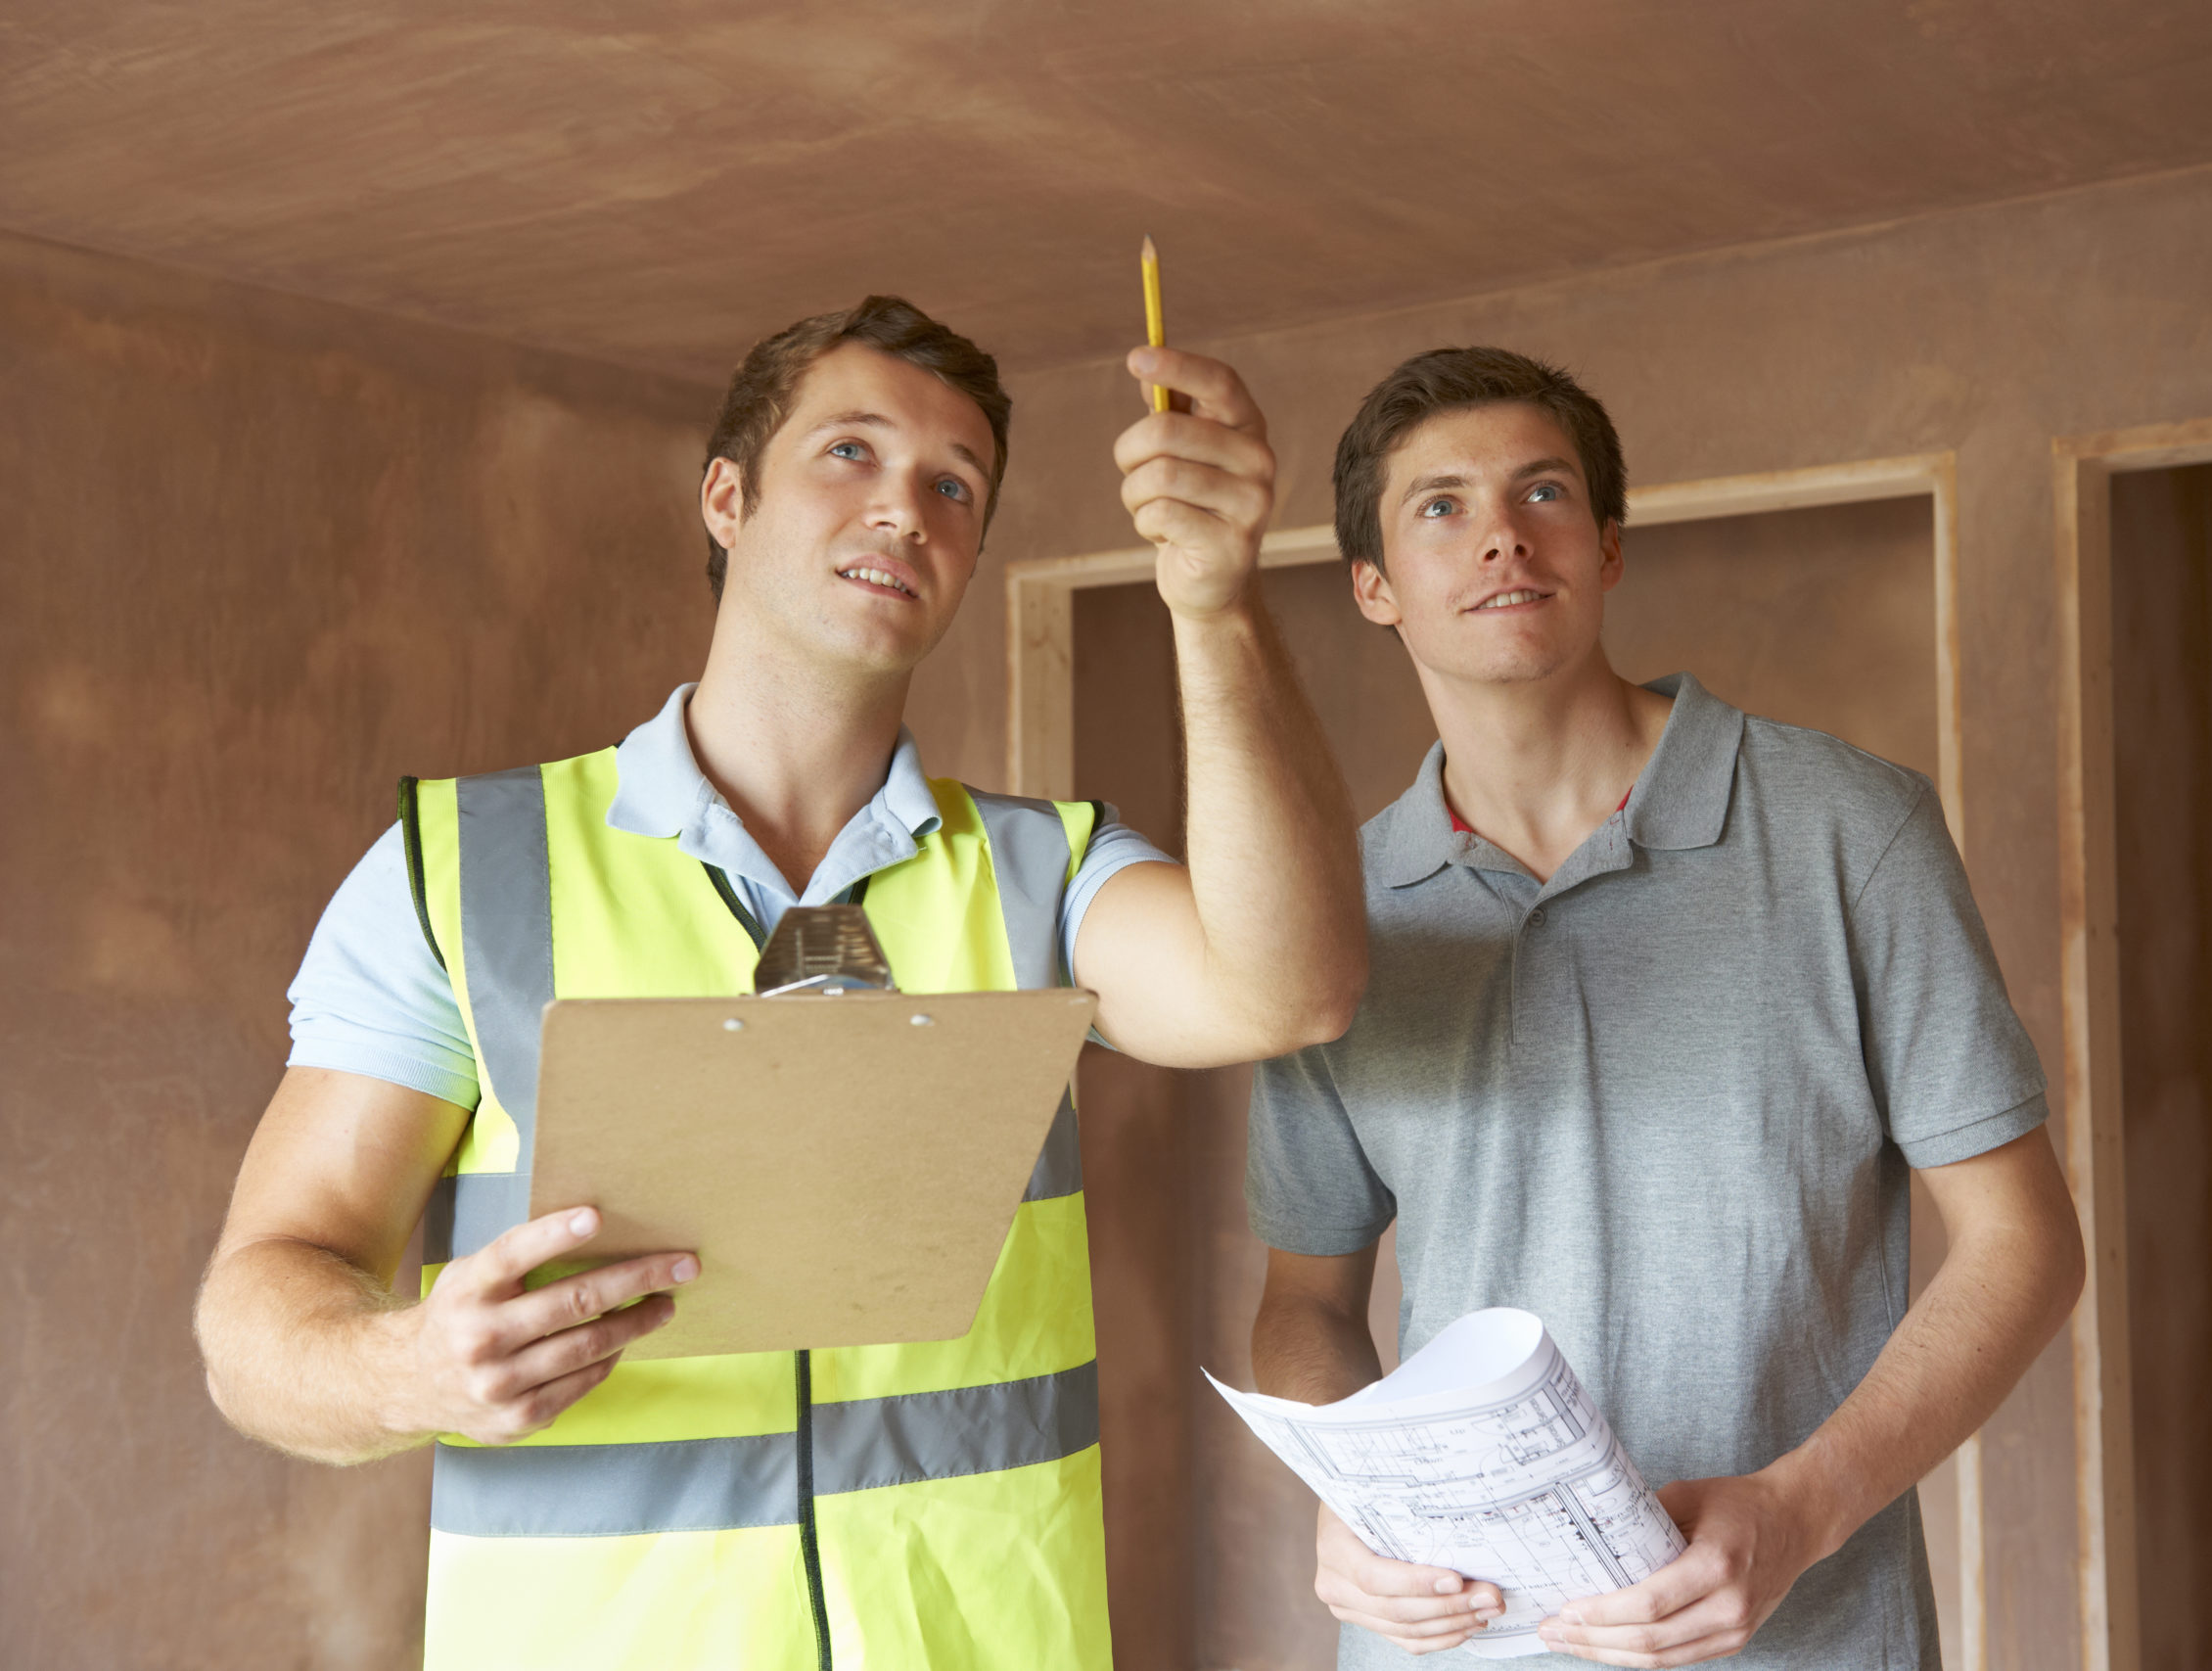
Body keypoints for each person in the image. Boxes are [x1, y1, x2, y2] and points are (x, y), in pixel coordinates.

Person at [195, 296, 1365, 1671]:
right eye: (849, 452)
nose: (906, 508)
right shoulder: (462, 872)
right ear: (727, 498)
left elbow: (1284, 991)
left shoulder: (1045, 871)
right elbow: (260, 1311)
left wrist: (1216, 607)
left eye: (954, 485)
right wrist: (409, 1368)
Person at [1246, 348, 2085, 1668]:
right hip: (1456, 1647)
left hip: (1806, 1641)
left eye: (1543, 492)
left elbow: (2024, 1244)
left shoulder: (1849, 829)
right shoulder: (1334, 918)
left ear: (1607, 546)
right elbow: (1305, 1300)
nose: (1503, 535)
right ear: (1373, 585)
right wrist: (1352, 1499)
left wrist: (1802, 1510)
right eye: (1441, 507)